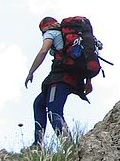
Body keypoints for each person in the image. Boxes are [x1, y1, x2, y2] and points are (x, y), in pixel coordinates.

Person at [24, 17, 91, 149]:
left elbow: (43, 51)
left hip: (60, 78)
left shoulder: (51, 32)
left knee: (54, 111)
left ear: (44, 27)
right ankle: (37, 144)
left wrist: (31, 72)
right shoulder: (72, 36)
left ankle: (69, 146)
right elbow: (86, 58)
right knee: (39, 103)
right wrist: (88, 81)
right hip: (72, 78)